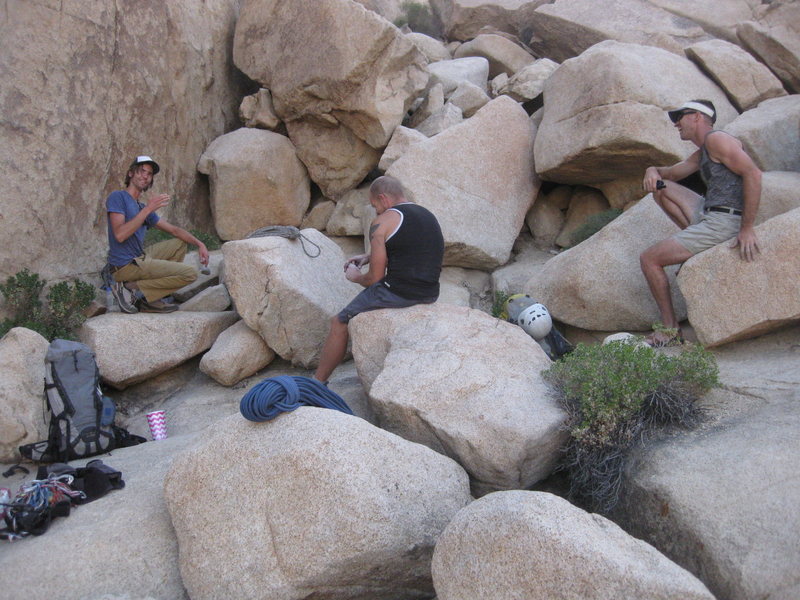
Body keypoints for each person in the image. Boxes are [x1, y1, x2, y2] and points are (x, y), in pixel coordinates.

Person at [640, 100, 762, 345]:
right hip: (709, 213)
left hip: (724, 220)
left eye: (680, 116)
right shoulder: (704, 151)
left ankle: (670, 330)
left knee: (649, 259)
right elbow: (672, 175)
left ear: (696, 116)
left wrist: (747, 228)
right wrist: (651, 169)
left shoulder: (718, 140)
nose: (676, 123)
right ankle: (693, 242)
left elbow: (753, 174)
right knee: (662, 189)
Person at [314, 175, 444, 382]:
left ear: (383, 199)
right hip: (430, 292)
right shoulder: (426, 214)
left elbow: (375, 278)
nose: (376, 211)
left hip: (400, 293)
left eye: (375, 206)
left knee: (338, 321)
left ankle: (317, 383)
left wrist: (355, 277)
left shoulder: (382, 222)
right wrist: (367, 256)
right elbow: (410, 248)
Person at [106, 155, 209, 313]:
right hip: (125, 266)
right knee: (190, 274)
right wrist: (148, 209)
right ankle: (131, 289)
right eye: (141, 171)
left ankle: (150, 299)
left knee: (179, 243)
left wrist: (200, 244)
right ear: (130, 173)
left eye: (149, 174)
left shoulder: (141, 207)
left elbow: (174, 230)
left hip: (139, 258)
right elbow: (120, 235)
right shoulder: (118, 197)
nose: (145, 176)